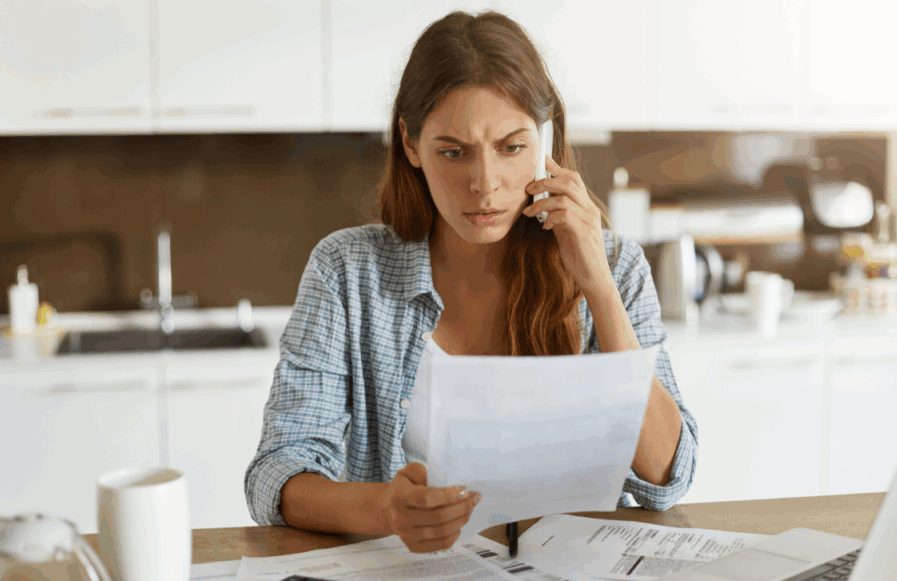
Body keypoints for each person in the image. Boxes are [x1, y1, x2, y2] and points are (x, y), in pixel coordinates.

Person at [245, 10, 698, 553]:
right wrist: (384, 508)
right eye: (453, 152)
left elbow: (666, 478)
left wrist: (598, 285)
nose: (484, 183)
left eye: (511, 147)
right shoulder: (346, 272)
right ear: (411, 145)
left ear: (545, 138)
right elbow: (277, 471)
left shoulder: (616, 266)